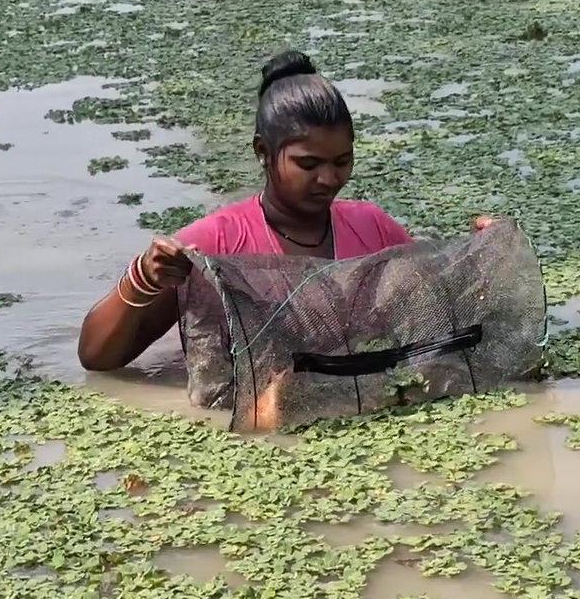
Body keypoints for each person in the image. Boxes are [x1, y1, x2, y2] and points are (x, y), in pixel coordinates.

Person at [77, 49, 491, 372]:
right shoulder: (215, 244)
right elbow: (97, 358)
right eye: (308, 165)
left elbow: (445, 321)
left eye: (342, 161)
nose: (329, 179)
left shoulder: (372, 228)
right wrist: (141, 281)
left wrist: (480, 258)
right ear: (263, 152)